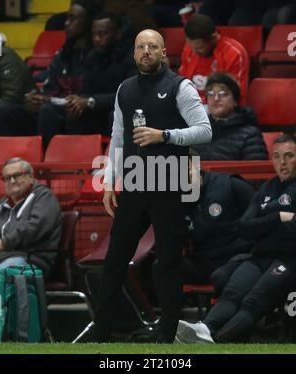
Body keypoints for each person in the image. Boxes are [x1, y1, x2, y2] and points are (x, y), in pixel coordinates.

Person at [95, 28, 211, 343]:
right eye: (141, 46)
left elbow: (204, 130)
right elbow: (118, 138)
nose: (146, 51)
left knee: (168, 263)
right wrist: (108, 182)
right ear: (134, 54)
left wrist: (165, 135)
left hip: (169, 183)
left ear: (163, 53)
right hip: (133, 184)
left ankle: (167, 334)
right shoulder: (125, 89)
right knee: (114, 261)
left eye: (153, 46)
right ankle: (102, 334)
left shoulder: (180, 87)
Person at [175, 133, 296, 344]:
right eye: (276, 156)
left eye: (289, 156)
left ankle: (215, 342)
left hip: (288, 259)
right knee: (231, 293)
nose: (282, 163)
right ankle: (205, 329)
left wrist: (264, 225)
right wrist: (278, 217)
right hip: (259, 256)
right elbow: (244, 228)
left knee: (251, 302)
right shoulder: (267, 188)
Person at [153, 168, 254, 291]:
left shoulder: (230, 184)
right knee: (162, 266)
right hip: (203, 261)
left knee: (222, 278)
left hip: (238, 258)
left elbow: (261, 219)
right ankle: (172, 311)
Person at [25, 0, 95, 149]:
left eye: (73, 18)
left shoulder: (97, 56)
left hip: (86, 112)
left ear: (88, 22)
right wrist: (35, 98)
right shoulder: (63, 54)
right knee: (15, 111)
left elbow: (85, 98)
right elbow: (49, 89)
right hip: (57, 108)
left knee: (53, 111)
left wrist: (48, 100)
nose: (66, 23)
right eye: (67, 18)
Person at [58, 11, 137, 139]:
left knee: (115, 116)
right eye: (94, 34)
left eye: (103, 34)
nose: (96, 39)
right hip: (98, 112)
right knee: (74, 113)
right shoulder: (92, 56)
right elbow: (86, 91)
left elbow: (128, 96)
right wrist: (77, 100)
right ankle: (73, 157)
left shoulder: (131, 57)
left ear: (118, 34)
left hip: (123, 112)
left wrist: (90, 101)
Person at [0, 158, 62, 279]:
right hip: (1, 258)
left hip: (32, 259)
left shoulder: (44, 197)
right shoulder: (1, 204)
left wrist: (3, 244)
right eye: (6, 178)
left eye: (16, 175)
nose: (11, 181)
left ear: (31, 177)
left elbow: (35, 228)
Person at [192, 72, 268, 160]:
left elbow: (256, 172)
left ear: (235, 101)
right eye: (211, 94)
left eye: (223, 94)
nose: (216, 98)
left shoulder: (250, 135)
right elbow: (188, 170)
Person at [179, 13, 249, 104]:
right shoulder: (190, 49)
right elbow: (182, 84)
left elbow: (236, 94)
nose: (194, 52)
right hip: (193, 105)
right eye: (190, 46)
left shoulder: (234, 53)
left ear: (213, 38)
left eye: (200, 48)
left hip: (220, 107)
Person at [0, 34, 36, 136]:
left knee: (1, 112)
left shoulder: (6, 56)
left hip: (23, 110)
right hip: (3, 108)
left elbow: (12, 96)